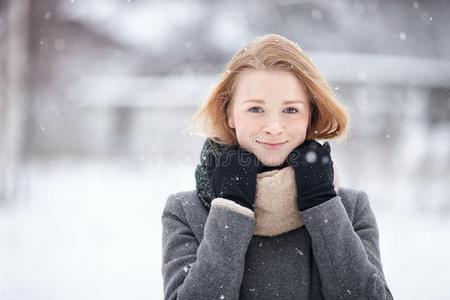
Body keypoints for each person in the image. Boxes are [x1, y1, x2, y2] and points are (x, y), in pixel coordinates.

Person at [161, 33, 394, 299]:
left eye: (291, 110)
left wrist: (321, 203)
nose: (273, 127)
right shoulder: (185, 212)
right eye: (256, 109)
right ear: (230, 114)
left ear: (311, 115)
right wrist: (231, 209)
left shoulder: (351, 209)